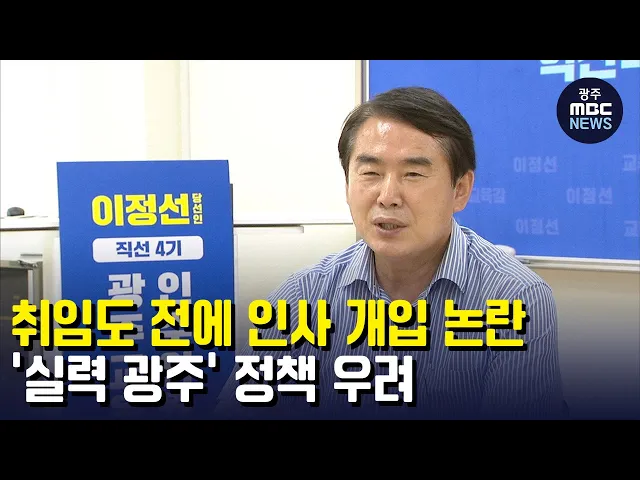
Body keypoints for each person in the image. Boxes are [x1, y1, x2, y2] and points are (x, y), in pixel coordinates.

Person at [214, 86, 566, 420]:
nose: (387, 197)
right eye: (370, 172)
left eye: (412, 174)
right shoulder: (301, 297)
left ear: (460, 189)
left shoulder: (515, 298)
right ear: (347, 184)